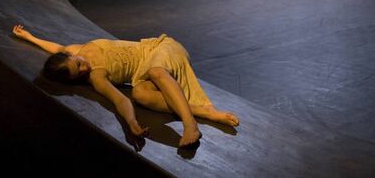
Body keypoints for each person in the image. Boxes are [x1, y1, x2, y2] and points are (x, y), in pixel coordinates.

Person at [12, 24, 239, 148]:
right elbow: (121, 99)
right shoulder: (97, 77)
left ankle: (191, 125)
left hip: (162, 49)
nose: (84, 68)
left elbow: (55, 47)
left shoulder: (74, 50)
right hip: (144, 73)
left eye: (79, 64)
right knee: (139, 94)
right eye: (78, 74)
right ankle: (204, 112)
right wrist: (131, 123)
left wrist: (28, 36)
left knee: (156, 71)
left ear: (72, 56)